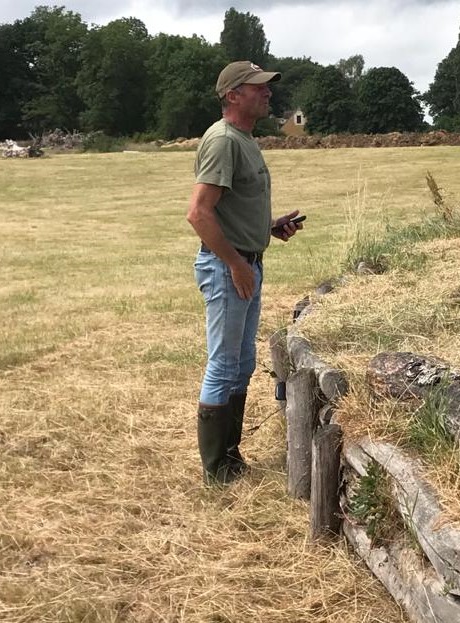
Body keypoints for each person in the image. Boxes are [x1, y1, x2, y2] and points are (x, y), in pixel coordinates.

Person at [186, 60, 303, 485]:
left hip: (245, 263)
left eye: (267, 87)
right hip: (227, 267)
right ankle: (218, 470)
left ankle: (231, 457)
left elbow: (231, 208)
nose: (267, 93)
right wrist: (236, 264)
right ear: (233, 95)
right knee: (223, 364)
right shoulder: (223, 142)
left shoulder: (244, 140)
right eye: (258, 87)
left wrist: (268, 228)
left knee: (242, 362)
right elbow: (199, 214)